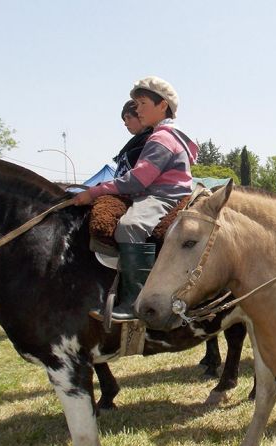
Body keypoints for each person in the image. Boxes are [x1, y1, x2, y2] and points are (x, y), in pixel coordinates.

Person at [73, 76, 198, 322]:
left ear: (162, 105)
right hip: (158, 192)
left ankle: (135, 302)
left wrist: (95, 191)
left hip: (163, 196)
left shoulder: (162, 138)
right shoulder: (164, 135)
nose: (137, 109)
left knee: (130, 227)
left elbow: (137, 181)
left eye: (142, 103)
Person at [112, 100, 154, 179]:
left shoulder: (151, 141)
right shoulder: (135, 143)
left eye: (129, 117)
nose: (126, 123)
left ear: (141, 116)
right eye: (124, 119)